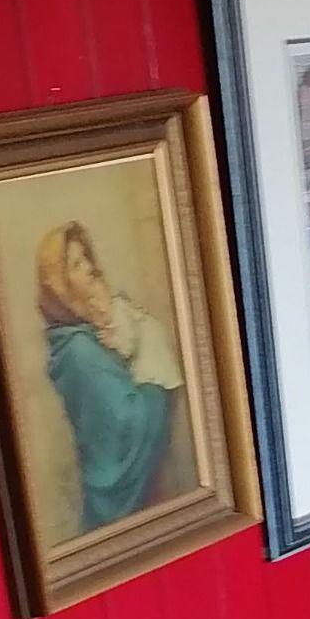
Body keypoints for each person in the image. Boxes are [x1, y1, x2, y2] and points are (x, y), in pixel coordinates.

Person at [35, 222, 183, 529]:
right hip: (113, 504)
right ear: (59, 284)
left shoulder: (84, 335)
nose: (90, 268)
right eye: (76, 264)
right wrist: (156, 392)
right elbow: (127, 423)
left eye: (87, 258)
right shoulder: (78, 351)